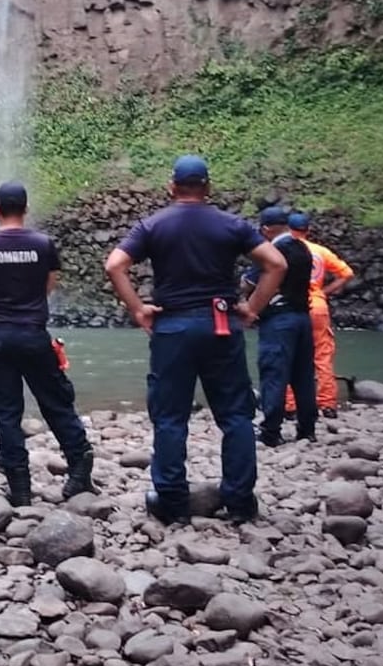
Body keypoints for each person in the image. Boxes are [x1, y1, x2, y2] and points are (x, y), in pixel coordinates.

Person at [104, 155, 286, 526]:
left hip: (172, 328)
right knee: (235, 415)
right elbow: (277, 264)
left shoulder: (153, 225)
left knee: (170, 417)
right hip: (220, 325)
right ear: (208, 187)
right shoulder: (231, 224)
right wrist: (252, 308)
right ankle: (239, 500)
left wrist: (138, 309)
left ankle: (171, 500)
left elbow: (114, 265)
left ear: (172, 187)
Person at [0, 181, 92, 507]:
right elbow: (47, 286)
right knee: (56, 401)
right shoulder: (43, 244)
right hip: (33, 334)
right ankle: (79, 467)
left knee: (6, 411)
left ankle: (20, 487)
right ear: (26, 209)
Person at [247, 206, 317, 448]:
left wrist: (249, 308)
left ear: (266, 229)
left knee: (274, 373)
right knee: (303, 375)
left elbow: (250, 282)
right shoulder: (303, 249)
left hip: (279, 320)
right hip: (303, 317)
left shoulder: (273, 251)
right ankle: (307, 429)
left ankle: (271, 430)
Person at [284, 211, 355, 419]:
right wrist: (325, 291)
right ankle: (327, 404)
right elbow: (346, 273)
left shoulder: (283, 250)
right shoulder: (320, 251)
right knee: (322, 355)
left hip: (291, 304)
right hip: (317, 305)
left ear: (288, 229)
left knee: (290, 353)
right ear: (308, 230)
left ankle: (290, 405)